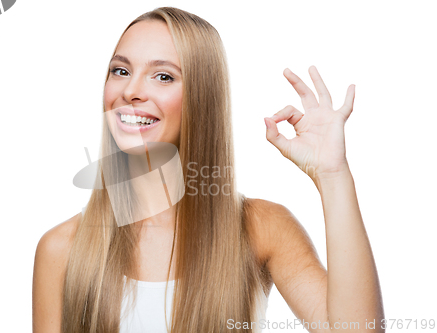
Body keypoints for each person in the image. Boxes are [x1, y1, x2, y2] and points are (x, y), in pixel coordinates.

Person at [32, 6, 384, 333]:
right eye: (120, 71)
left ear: (202, 96)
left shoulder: (262, 229)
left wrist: (333, 176)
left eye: (163, 76)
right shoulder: (62, 249)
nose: (131, 90)